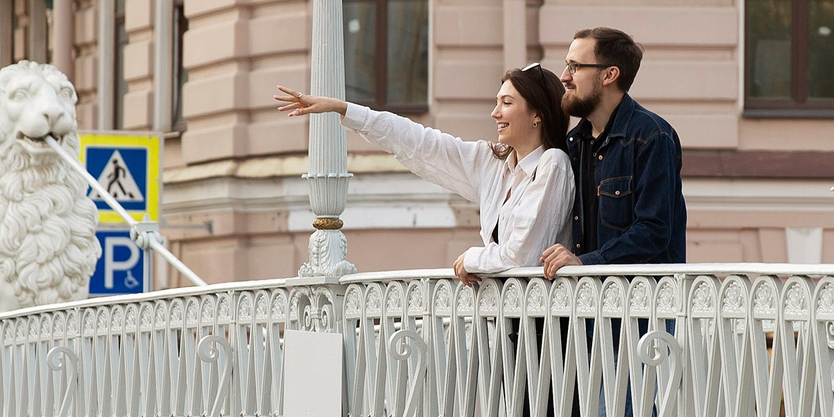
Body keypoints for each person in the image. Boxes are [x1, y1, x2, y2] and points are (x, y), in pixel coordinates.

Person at [274, 65, 575, 281]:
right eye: (496, 102)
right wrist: (345, 109)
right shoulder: (494, 162)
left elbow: (521, 257)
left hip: (539, 332)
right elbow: (421, 142)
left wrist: (471, 258)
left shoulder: (553, 164)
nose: (494, 113)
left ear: (538, 114)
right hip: (501, 322)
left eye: (506, 103)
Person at [539, 27, 687, 275]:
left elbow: (653, 232)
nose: (564, 76)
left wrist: (586, 263)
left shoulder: (651, 137)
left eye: (575, 66)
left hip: (643, 307)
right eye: (567, 65)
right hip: (588, 304)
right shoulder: (574, 143)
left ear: (609, 75)